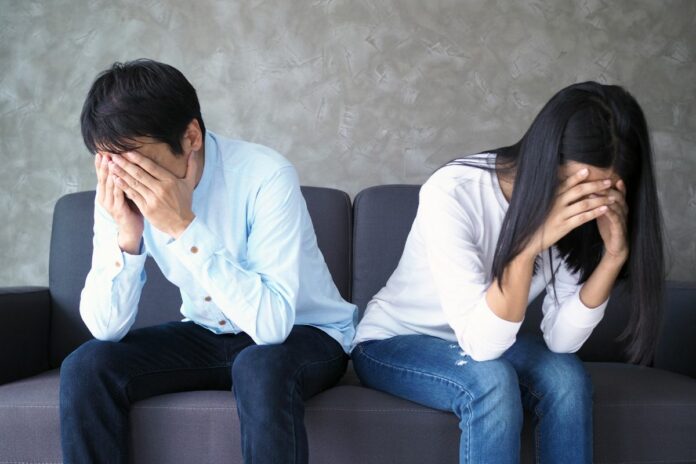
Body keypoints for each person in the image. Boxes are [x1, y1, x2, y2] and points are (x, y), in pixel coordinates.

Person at [59, 59, 357, 464]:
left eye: (139, 162)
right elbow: (105, 328)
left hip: (304, 332)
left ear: (191, 136)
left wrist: (183, 226)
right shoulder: (116, 190)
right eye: (112, 161)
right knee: (86, 366)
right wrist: (127, 239)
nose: (128, 176)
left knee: (259, 367)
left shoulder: (266, 175)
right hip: (207, 332)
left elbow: (272, 326)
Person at [351, 82, 664, 464]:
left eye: (600, 193)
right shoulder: (454, 190)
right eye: (576, 186)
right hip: (394, 341)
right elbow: (482, 347)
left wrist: (613, 257)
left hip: (486, 340)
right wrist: (527, 248)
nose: (584, 203)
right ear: (546, 158)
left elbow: (562, 341)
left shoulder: (582, 218)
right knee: (491, 382)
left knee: (567, 378)